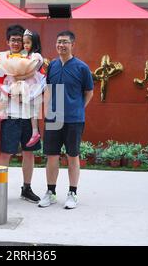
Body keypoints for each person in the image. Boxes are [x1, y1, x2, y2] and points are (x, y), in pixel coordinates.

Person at [39, 31, 94, 209]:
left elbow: (89, 92)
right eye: (59, 42)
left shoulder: (82, 67)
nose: (61, 45)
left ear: (72, 45)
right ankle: (51, 192)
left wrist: (78, 108)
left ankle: (72, 193)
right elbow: (47, 89)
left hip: (73, 119)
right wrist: (47, 111)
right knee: (52, 156)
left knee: (72, 156)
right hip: (54, 117)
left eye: (65, 42)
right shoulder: (53, 66)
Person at [0, 24, 44, 203]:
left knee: (29, 153)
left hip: (29, 112)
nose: (17, 43)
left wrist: (29, 94)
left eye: (20, 40)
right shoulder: (3, 60)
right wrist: (12, 93)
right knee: (6, 152)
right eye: (13, 40)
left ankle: (27, 188)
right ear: (7, 41)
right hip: (10, 113)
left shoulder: (32, 58)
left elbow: (42, 81)